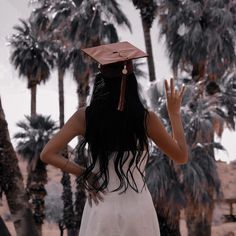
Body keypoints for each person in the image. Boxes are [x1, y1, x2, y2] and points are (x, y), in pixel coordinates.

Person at [40, 41, 188, 236]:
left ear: (100, 78)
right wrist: (175, 115)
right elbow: (181, 156)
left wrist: (86, 174)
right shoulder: (147, 118)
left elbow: (47, 154)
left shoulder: (84, 117)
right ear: (131, 77)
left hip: (101, 206)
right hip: (138, 209)